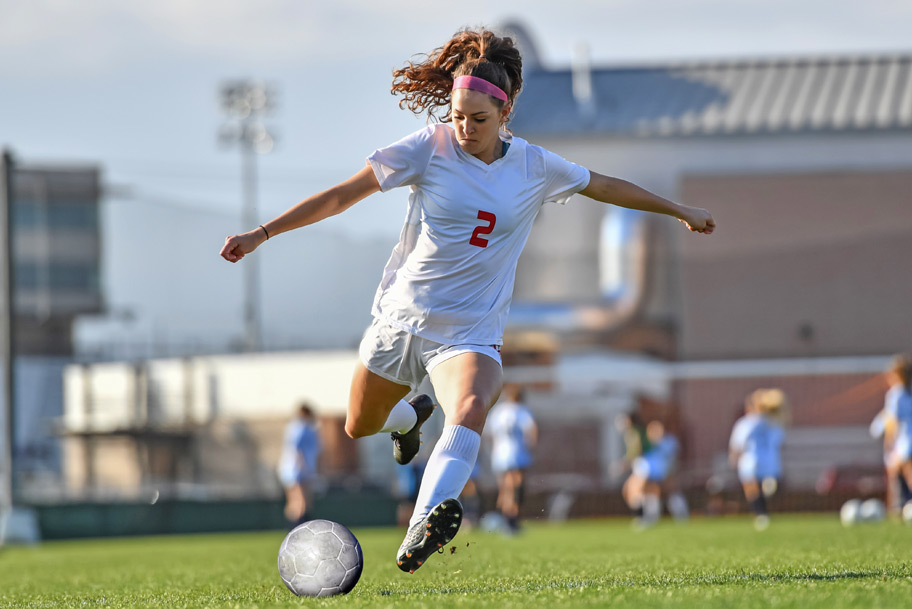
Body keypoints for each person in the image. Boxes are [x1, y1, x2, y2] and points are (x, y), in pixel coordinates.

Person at [220, 28, 715, 573]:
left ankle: (420, 528)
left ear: (505, 112)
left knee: (473, 405)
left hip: (470, 332)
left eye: (478, 119)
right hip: (402, 320)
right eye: (457, 115)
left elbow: (606, 186)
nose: (465, 127)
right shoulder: (427, 148)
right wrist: (262, 233)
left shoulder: (532, 166)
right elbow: (342, 195)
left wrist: (680, 210)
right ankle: (407, 420)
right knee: (359, 425)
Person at [728, 389, 787, 530]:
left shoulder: (746, 423)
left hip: (751, 459)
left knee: (751, 487)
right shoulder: (774, 423)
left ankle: (761, 514)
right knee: (765, 488)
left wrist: (733, 458)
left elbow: (737, 444)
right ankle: (768, 490)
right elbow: (780, 442)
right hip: (771, 460)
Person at [485, 384, 537, 534]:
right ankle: (511, 519)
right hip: (518, 454)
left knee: (505, 488)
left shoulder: (498, 411)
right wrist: (531, 447)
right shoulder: (521, 411)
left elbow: (489, 433)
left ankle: (505, 518)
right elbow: (531, 430)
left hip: (500, 455)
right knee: (515, 487)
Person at [277, 403, 321, 528]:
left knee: (298, 502)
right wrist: (302, 466)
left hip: (295, 470)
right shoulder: (300, 428)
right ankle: (298, 529)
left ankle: (295, 529)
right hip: (297, 470)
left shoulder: (300, 428)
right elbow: (295, 448)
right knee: (301, 502)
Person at [881, 354, 912, 511]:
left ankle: (898, 508)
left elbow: (892, 424)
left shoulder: (896, 394)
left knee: (898, 473)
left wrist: (888, 445)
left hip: (906, 441)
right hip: (907, 441)